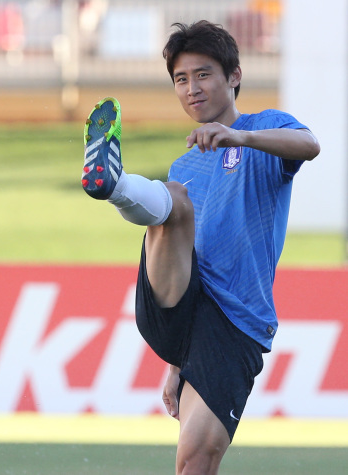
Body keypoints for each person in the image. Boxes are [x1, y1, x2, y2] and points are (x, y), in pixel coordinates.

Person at [81, 20, 320, 475]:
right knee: (175, 202)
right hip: (177, 303)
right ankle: (113, 186)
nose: (192, 88)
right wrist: (175, 357)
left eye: (204, 74)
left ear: (234, 76)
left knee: (194, 462)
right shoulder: (185, 161)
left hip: (233, 324)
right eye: (181, 79)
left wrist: (239, 137)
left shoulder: (262, 129)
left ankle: (121, 187)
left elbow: (309, 145)